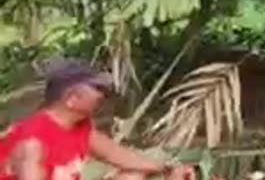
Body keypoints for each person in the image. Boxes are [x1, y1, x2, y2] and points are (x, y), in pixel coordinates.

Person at [0, 60, 196, 180]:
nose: (102, 95)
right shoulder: (32, 142)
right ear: (72, 99)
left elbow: (116, 155)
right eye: (96, 89)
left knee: (133, 176)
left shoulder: (78, 127)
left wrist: (169, 169)